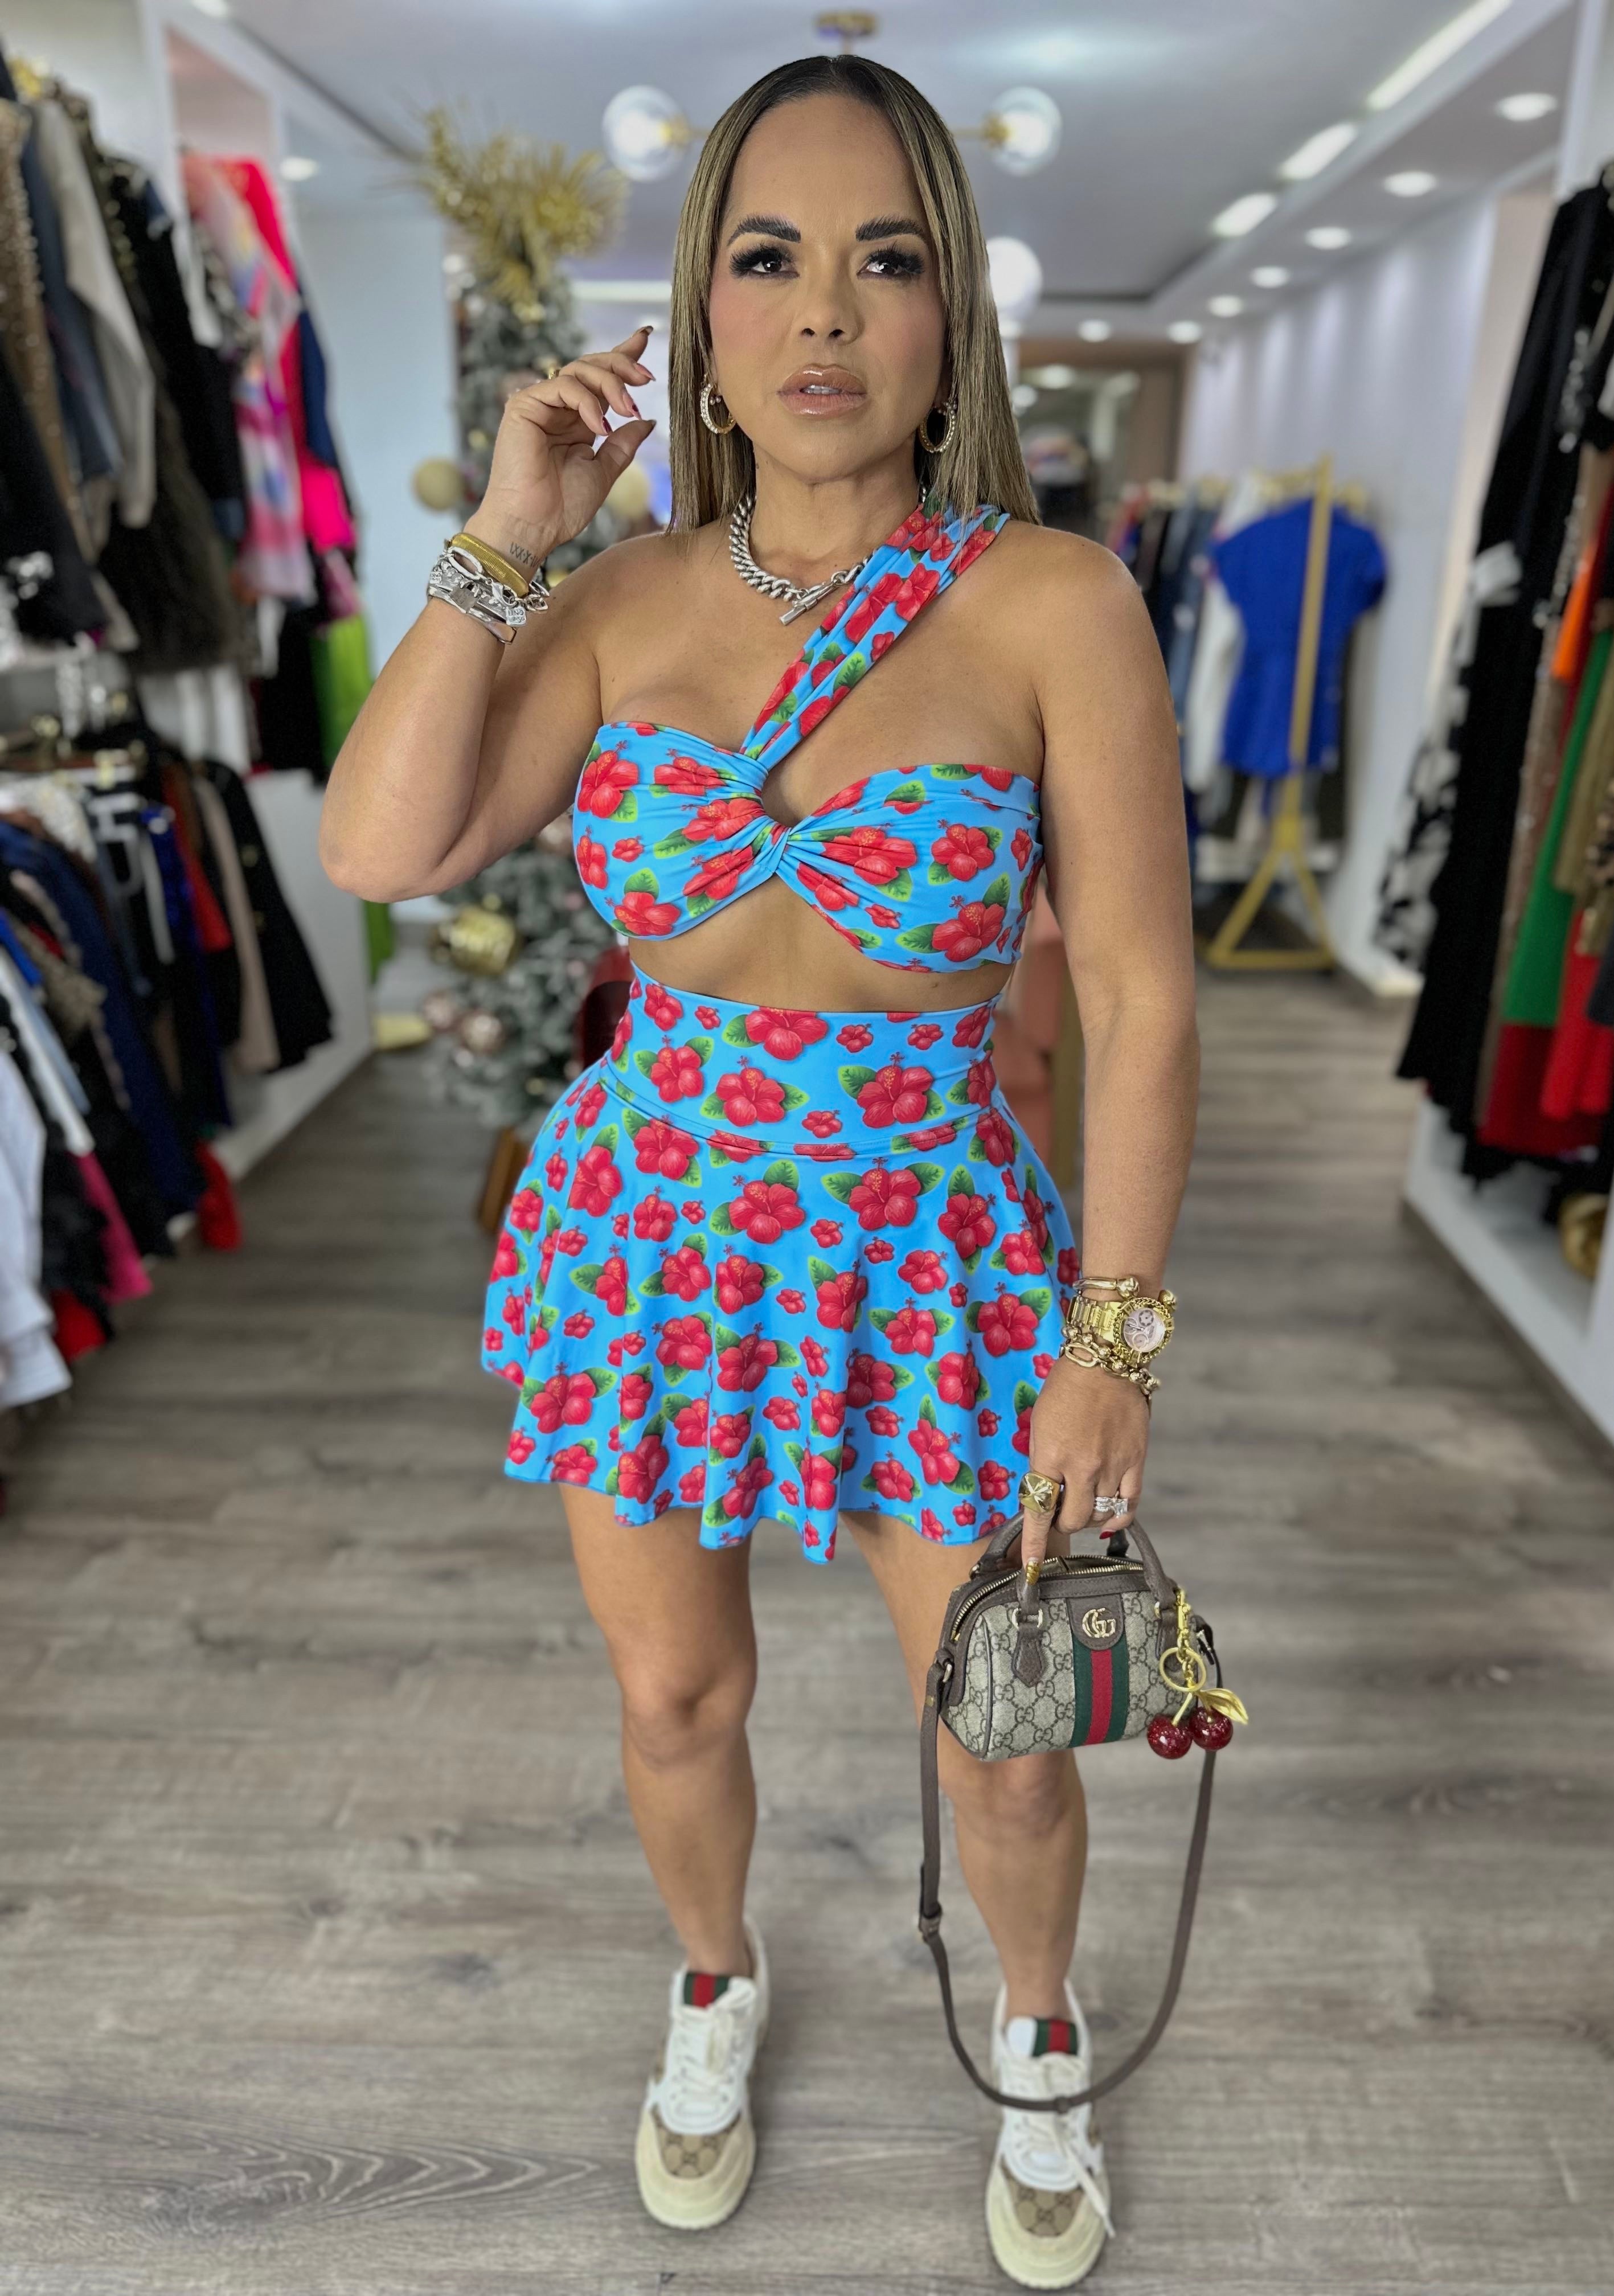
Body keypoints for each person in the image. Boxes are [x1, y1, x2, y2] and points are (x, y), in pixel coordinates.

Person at [322, 51, 1197, 2291]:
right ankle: (714, 1982)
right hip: (652, 1232)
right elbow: (385, 845)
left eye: (884, 261)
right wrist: (510, 529)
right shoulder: (617, 603)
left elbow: (1139, 998)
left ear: (952, 309)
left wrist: (1114, 1344)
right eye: (770, 259)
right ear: (701, 316)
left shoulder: (1056, 603)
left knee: (1009, 1733)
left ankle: (1038, 2027)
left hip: (934, 1247)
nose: (825, 312)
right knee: (673, 1698)